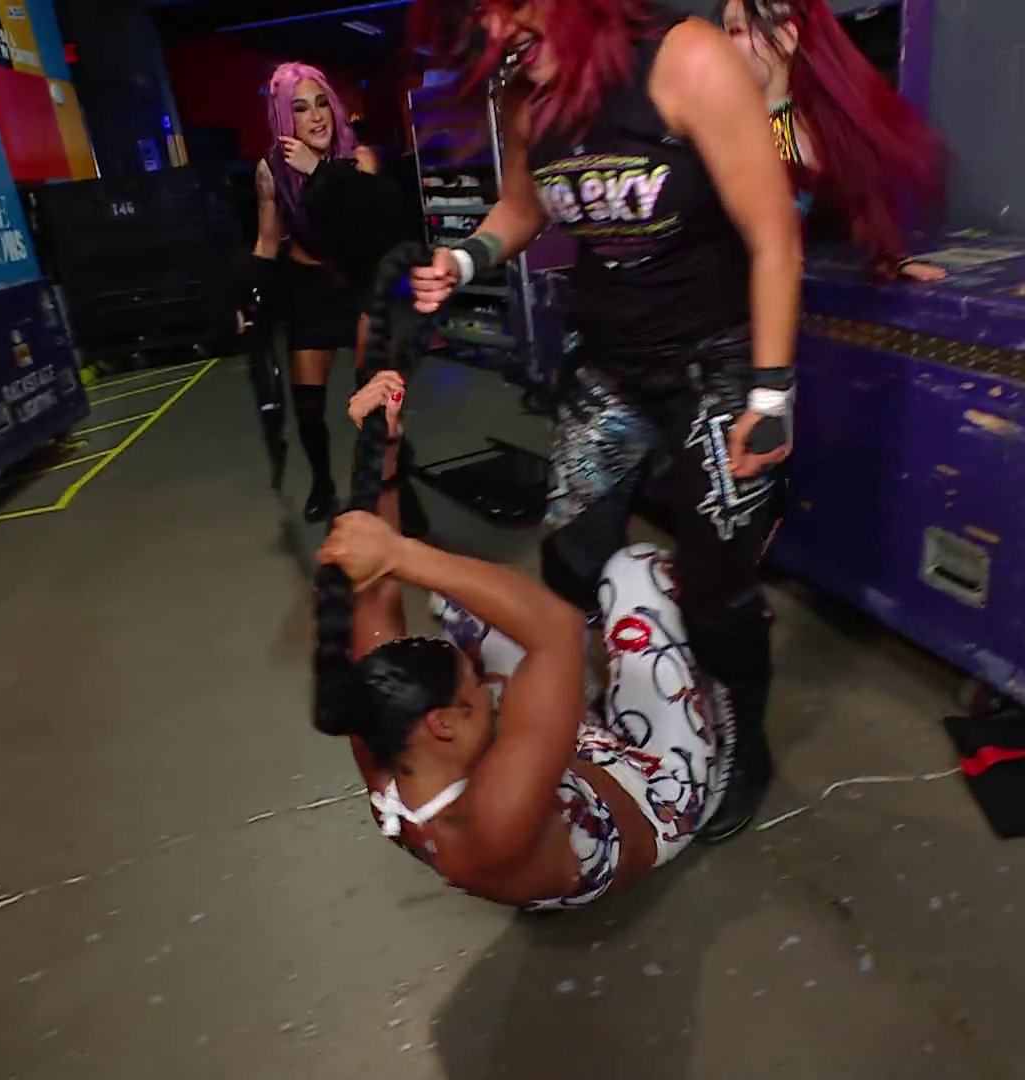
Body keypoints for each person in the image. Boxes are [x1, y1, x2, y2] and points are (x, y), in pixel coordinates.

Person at [405, 0, 800, 840]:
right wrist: (465, 257)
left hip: (716, 367)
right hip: (611, 365)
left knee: (718, 590)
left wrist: (770, 398)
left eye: (516, 10)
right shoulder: (529, 94)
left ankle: (745, 746)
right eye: (482, 20)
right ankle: (609, 707)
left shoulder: (685, 60)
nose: (500, 36)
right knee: (571, 559)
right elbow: (523, 207)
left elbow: (774, 238)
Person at [315, 372, 730, 908]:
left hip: (565, 768)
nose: (486, 689)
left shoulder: (385, 741)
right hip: (653, 796)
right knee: (635, 572)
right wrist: (401, 554)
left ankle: (574, 702)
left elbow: (373, 597)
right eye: (473, 690)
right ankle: (717, 735)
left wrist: (385, 458)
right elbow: (557, 631)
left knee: (464, 606)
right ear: (442, 723)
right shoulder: (493, 820)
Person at [717, 0, 947, 280]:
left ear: (786, 37)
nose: (723, 46)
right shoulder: (714, 126)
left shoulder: (815, 135)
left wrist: (888, 258)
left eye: (736, 31)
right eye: (725, 32)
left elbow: (860, 204)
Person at [244, 62, 378, 522]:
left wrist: (317, 168)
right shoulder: (271, 171)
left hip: (357, 284)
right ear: (285, 117)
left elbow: (367, 221)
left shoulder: (359, 160)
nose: (316, 116)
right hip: (309, 291)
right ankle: (322, 482)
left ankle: (391, 484)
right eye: (300, 108)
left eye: (322, 103)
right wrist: (249, 298)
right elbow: (266, 242)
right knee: (307, 405)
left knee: (376, 398)